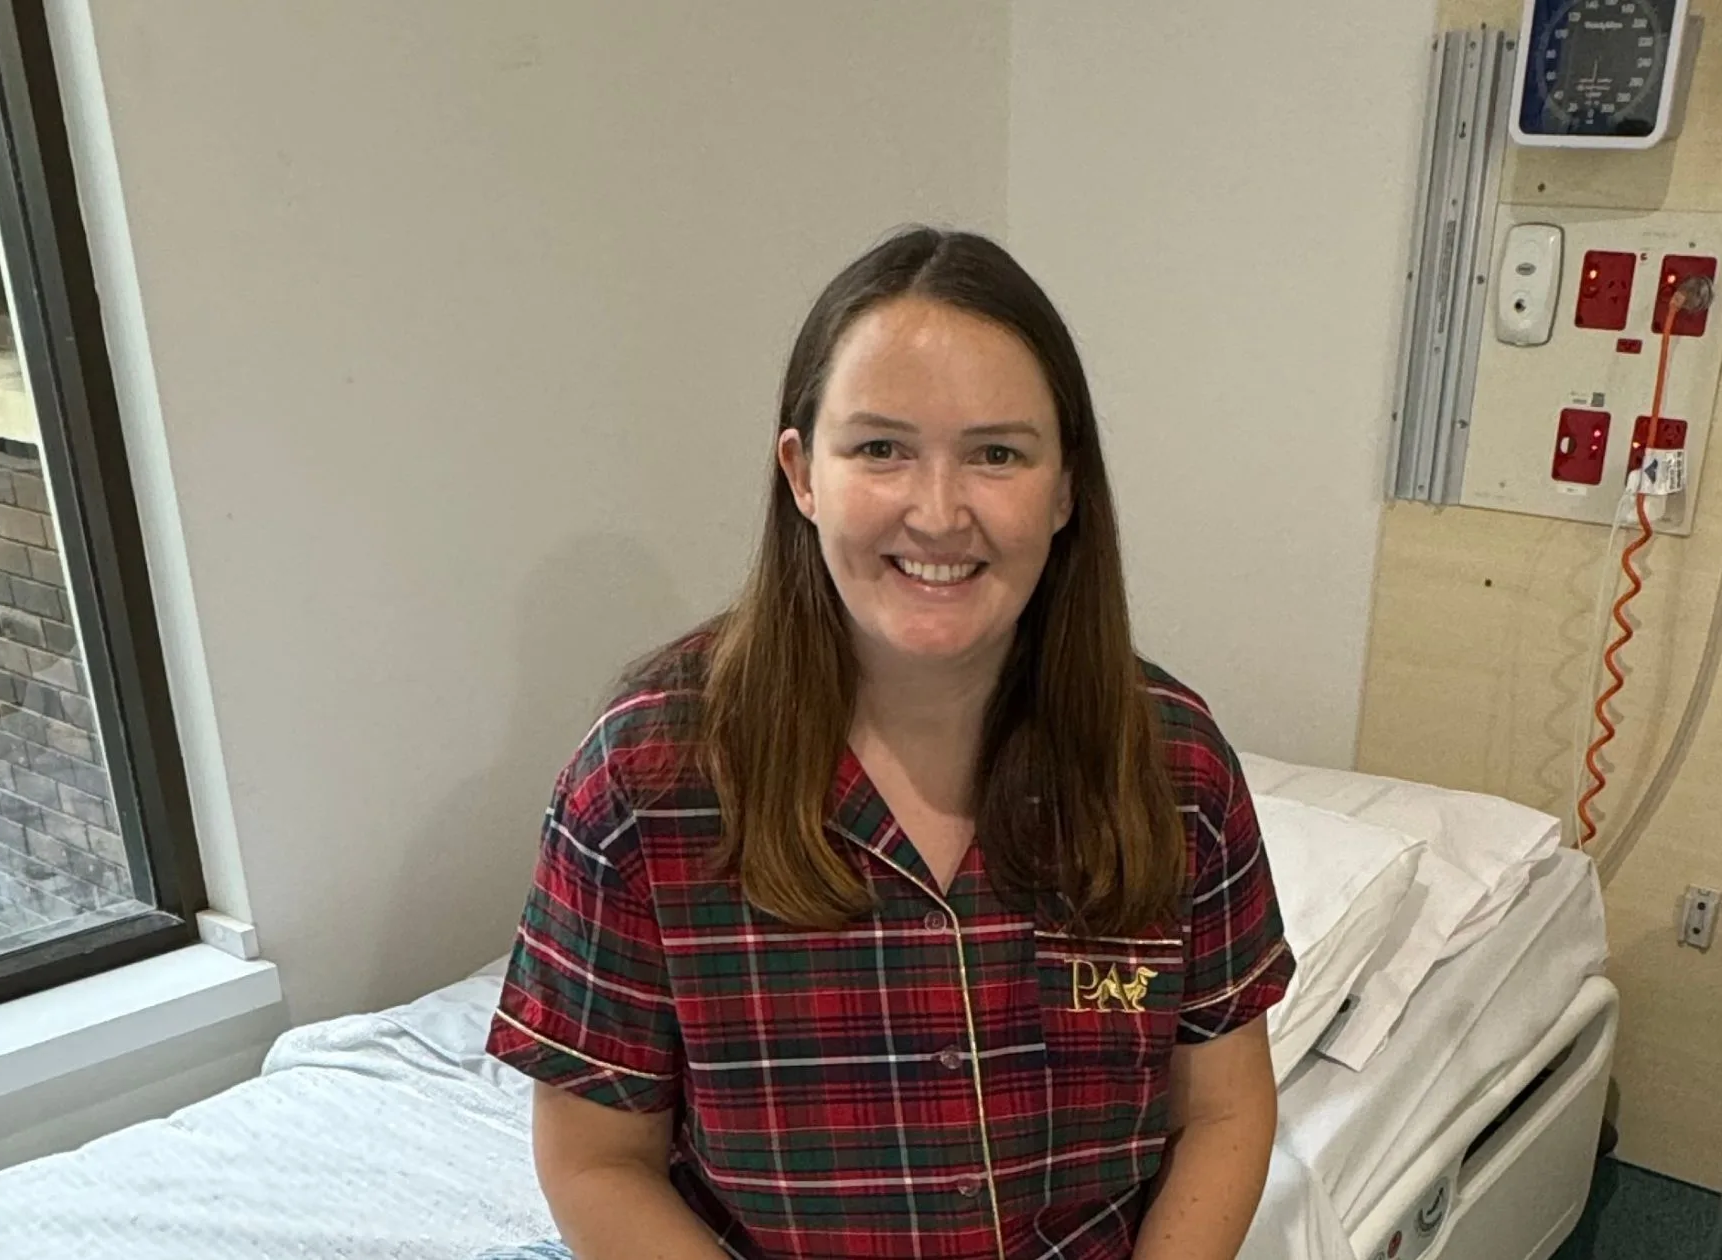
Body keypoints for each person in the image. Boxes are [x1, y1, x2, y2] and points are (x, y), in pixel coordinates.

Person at [486, 226, 1293, 1260]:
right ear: (801, 472)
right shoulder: (642, 784)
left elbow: (1221, 1112)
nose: (938, 510)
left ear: (1063, 489)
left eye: (996, 454)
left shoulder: (1171, 767)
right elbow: (597, 1162)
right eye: (880, 449)